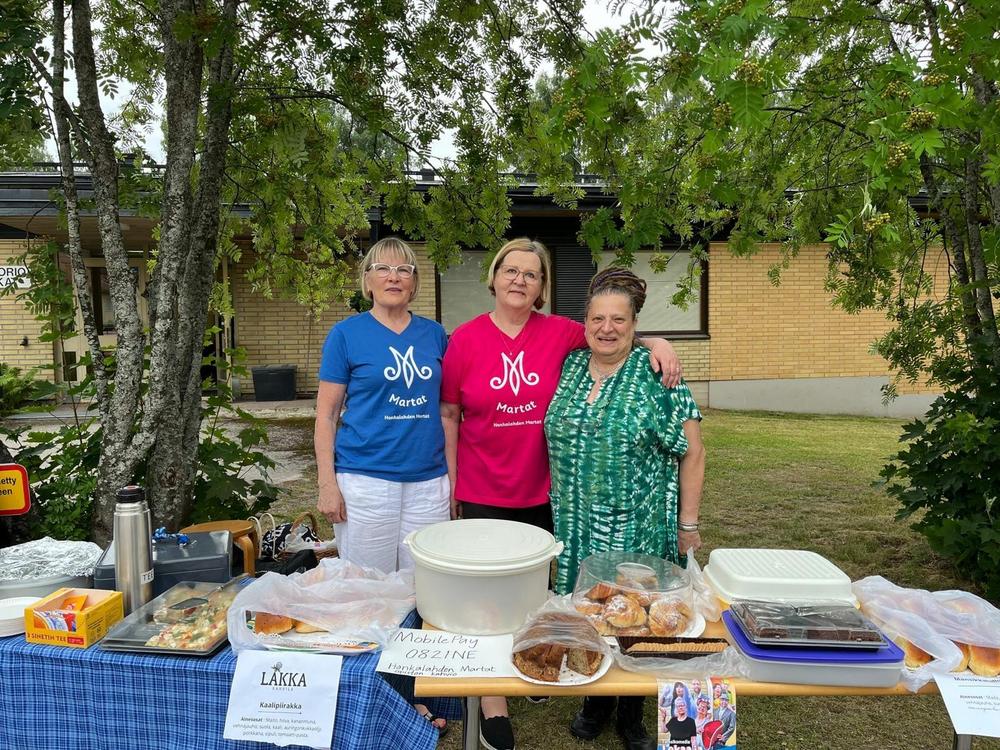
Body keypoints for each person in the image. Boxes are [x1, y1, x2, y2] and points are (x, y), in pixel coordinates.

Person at [441, 239, 682, 750]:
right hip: (483, 487)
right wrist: (453, 482)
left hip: (547, 492)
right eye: (511, 270)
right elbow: (449, 415)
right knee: (488, 597)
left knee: (549, 593)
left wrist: (658, 342)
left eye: (531, 274)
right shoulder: (464, 339)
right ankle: (493, 702)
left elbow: (612, 330)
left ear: (542, 287)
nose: (519, 280)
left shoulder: (560, 333)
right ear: (493, 276)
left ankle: (541, 657)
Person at [544, 267, 706, 750]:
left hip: (638, 524)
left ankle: (632, 710)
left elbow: (693, 452)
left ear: (635, 325)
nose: (607, 328)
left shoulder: (657, 373)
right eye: (598, 318)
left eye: (619, 319)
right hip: (576, 524)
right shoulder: (570, 365)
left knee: (637, 615)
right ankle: (595, 699)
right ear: (585, 322)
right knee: (591, 612)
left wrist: (688, 524)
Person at [314, 236, 449, 733]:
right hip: (365, 481)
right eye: (383, 268)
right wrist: (327, 482)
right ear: (367, 280)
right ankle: (370, 697)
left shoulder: (435, 335)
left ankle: (414, 694)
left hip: (428, 482)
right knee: (367, 592)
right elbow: (326, 415)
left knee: (420, 593)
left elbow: (450, 408)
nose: (394, 276)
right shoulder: (346, 335)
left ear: (415, 282)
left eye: (404, 269)